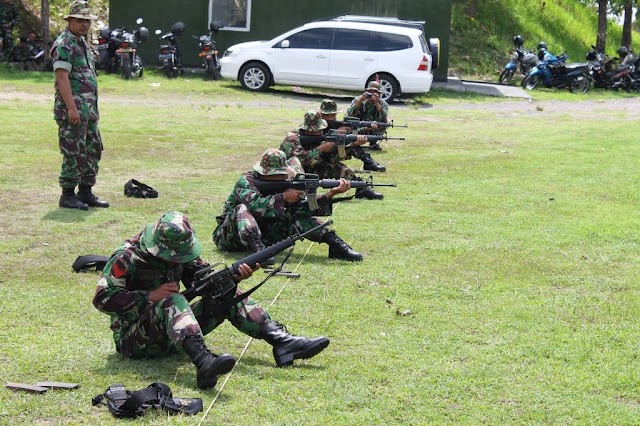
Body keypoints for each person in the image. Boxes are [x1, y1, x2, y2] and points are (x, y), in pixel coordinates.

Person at [93, 211, 331, 390]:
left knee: (223, 290)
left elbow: (204, 278)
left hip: (172, 333)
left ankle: (281, 341)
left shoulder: (179, 252)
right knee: (172, 300)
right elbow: (102, 298)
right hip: (134, 340)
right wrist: (148, 297)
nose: (178, 261)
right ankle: (203, 361)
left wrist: (235, 277)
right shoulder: (127, 257)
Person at [213, 149, 363, 262]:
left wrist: (329, 195)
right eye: (277, 174)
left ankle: (333, 243)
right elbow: (255, 206)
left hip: (266, 236)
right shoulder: (246, 181)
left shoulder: (287, 183)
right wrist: (283, 197)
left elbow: (305, 209)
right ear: (264, 173)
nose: (282, 177)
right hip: (230, 236)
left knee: (295, 214)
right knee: (242, 209)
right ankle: (259, 252)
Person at [50, 1, 109, 210]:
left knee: (92, 149)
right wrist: (72, 108)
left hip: (89, 110)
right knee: (73, 151)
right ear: (70, 21)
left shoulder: (82, 42)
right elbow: (62, 79)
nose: (84, 24)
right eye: (80, 20)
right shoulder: (64, 44)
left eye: (87, 21)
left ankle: (85, 192)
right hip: (73, 110)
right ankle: (67, 195)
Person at [280, 110, 383, 200]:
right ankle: (302, 196)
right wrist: (320, 149)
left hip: (314, 168)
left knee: (342, 170)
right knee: (296, 163)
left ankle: (361, 187)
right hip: (291, 174)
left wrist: (352, 145)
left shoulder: (322, 137)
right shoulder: (292, 139)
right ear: (310, 130)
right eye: (319, 130)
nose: (321, 132)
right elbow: (299, 160)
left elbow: (332, 158)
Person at [319, 98, 386, 172]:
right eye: (328, 115)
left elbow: (349, 138)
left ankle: (367, 160)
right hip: (320, 156)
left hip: (333, 154)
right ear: (321, 115)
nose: (332, 118)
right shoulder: (317, 128)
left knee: (350, 139)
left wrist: (365, 129)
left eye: (333, 115)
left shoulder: (335, 125)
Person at [345, 81, 389, 151]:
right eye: (369, 91)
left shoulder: (383, 103)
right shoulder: (358, 99)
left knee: (384, 123)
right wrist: (360, 101)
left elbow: (384, 116)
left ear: (379, 94)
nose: (371, 94)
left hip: (374, 127)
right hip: (358, 127)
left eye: (375, 91)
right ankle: (353, 141)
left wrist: (376, 103)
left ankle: (373, 142)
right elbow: (350, 113)